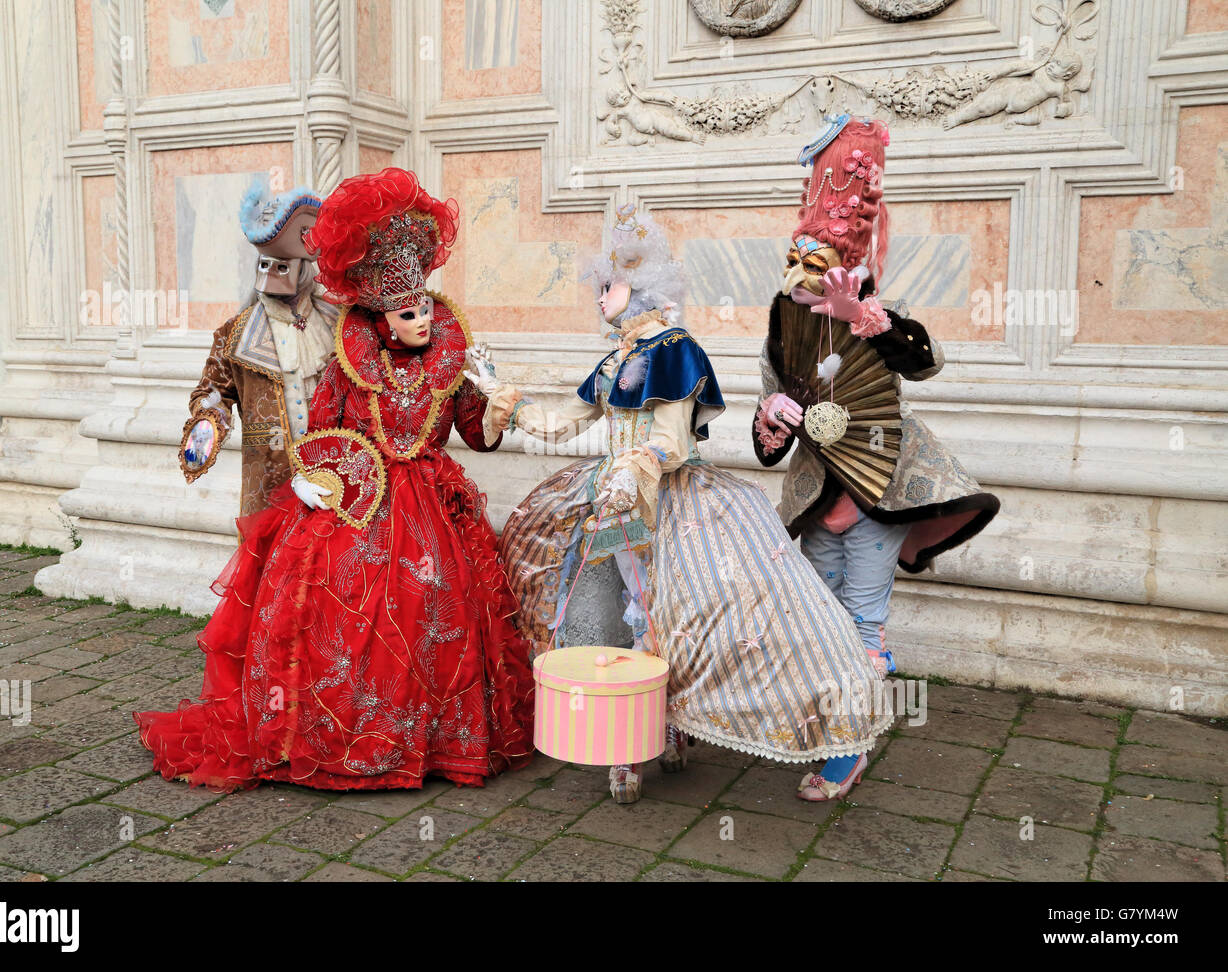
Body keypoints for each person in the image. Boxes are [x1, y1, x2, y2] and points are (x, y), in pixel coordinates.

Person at [466, 205, 890, 805]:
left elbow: (671, 435)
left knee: (732, 618)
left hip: (674, 501)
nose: (599, 298)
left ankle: (839, 734)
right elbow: (567, 421)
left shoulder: (673, 348)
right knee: (632, 612)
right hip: (615, 501)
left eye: (608, 286)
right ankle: (646, 727)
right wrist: (503, 396)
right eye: (600, 285)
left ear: (640, 289)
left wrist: (638, 465)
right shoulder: (616, 356)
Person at [137, 168, 534, 792]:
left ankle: (433, 738)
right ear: (382, 315)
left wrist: (499, 408)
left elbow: (476, 432)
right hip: (356, 498)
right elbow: (313, 427)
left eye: (426, 306)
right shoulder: (329, 353)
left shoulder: (443, 355)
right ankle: (345, 733)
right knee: (340, 615)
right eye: (409, 312)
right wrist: (299, 470)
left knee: (438, 608)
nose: (423, 319)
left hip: (432, 503)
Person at [754, 115, 999, 799]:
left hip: (878, 497)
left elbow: (926, 363)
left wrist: (869, 318)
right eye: (795, 259)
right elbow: (766, 420)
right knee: (816, 624)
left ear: (848, 267)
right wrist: (772, 417)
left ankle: (848, 750)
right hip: (815, 500)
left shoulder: (879, 314)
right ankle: (831, 725)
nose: (802, 274)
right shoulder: (780, 330)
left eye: (818, 262)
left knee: (862, 626)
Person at [180, 179, 337, 515]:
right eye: (264, 265)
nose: (271, 274)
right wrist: (211, 415)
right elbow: (210, 392)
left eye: (282, 266)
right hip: (270, 477)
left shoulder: (336, 323)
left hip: (333, 469)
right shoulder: (235, 332)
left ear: (304, 270)